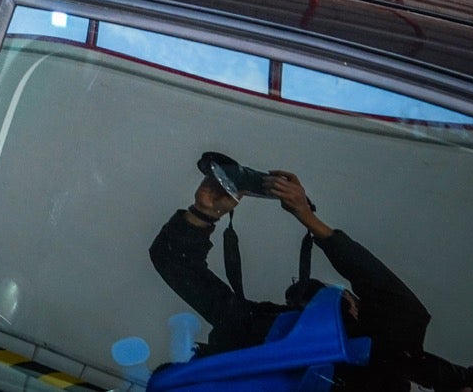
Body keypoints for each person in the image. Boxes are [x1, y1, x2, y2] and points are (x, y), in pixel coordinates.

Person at [149, 164, 431, 391]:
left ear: (355, 307)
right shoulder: (258, 334)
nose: (319, 313)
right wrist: (205, 212)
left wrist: (308, 217)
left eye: (332, 299)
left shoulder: (391, 353)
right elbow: (175, 263)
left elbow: (385, 291)